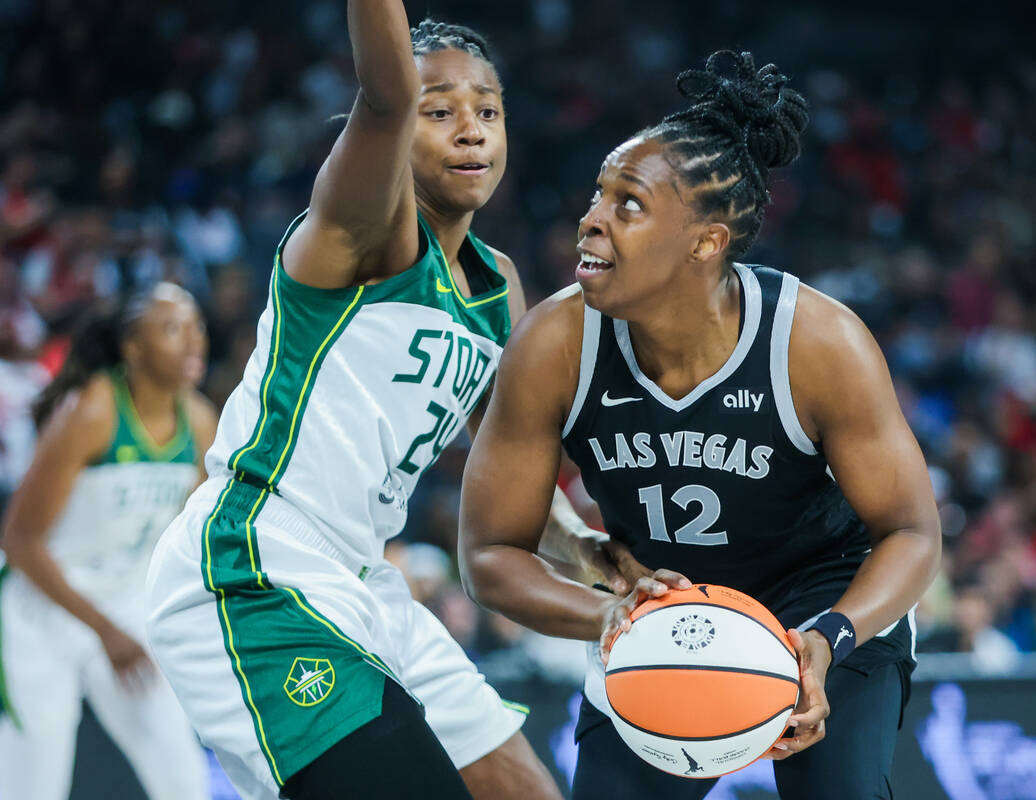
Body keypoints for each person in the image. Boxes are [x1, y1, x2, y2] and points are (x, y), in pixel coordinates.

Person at [143, 3, 637, 799]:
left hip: (367, 582)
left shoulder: (497, 286)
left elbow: (497, 462)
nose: (470, 129)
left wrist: (580, 545)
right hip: (255, 568)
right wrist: (397, 91)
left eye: (488, 112)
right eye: (439, 112)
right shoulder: (361, 233)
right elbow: (383, 95)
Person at [459, 50, 942, 799]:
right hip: (662, 606)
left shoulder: (816, 343)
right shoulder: (554, 344)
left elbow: (913, 533)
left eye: (628, 205)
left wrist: (830, 637)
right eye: (597, 196)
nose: (589, 220)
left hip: (818, 596)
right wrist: (611, 616)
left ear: (705, 241)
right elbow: (490, 552)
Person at [0, 282, 214, 800]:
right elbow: (19, 541)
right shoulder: (92, 411)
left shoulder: (201, 420)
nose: (192, 343)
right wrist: (102, 629)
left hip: (125, 607)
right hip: (42, 611)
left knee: (184, 780)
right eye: (170, 329)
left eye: (196, 327)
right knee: (34, 788)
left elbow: (189, 540)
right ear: (132, 349)